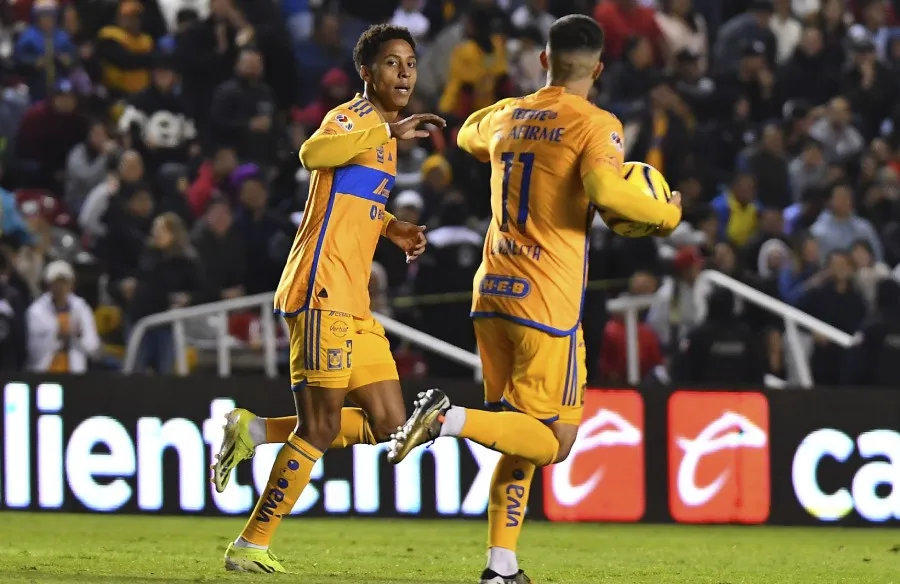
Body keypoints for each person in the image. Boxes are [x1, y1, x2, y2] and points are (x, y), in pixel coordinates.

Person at [387, 15, 682, 584]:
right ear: (597, 69)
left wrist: (516, 111)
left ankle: (502, 567)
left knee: (520, 429)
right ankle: (448, 420)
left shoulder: (508, 114)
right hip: (546, 302)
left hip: (491, 291)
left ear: (544, 61)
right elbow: (603, 189)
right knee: (555, 440)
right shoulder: (598, 124)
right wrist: (665, 214)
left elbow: (470, 129)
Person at [211, 24, 445, 574]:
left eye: (410, 62)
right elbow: (312, 152)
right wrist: (383, 129)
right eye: (392, 62)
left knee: (391, 424)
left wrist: (392, 228)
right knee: (318, 426)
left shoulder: (382, 136)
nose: (406, 71)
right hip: (319, 289)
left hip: (352, 299)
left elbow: (350, 201)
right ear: (368, 73)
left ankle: (254, 430)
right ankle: (250, 544)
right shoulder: (355, 117)